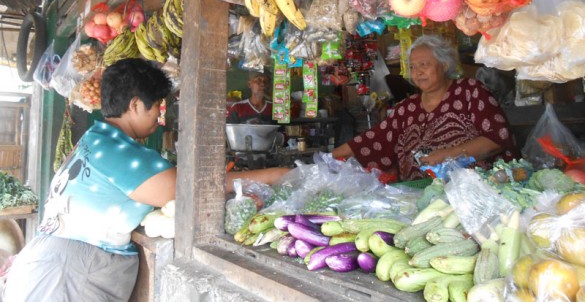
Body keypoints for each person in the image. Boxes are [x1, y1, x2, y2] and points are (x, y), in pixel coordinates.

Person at [3, 58, 289, 301]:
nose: (160, 119)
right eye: (157, 108)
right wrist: (273, 175)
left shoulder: (97, 139)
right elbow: (191, 190)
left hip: (55, 267)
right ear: (137, 104)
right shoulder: (118, 152)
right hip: (65, 278)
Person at [331, 35, 517, 182]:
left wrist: (448, 154)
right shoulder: (406, 108)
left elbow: (497, 138)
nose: (417, 72)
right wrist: (328, 158)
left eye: (424, 65)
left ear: (444, 65)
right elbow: (374, 139)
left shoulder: (470, 91)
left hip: (477, 190)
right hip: (420, 195)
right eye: (412, 67)